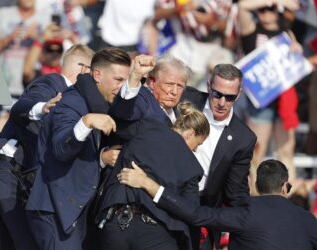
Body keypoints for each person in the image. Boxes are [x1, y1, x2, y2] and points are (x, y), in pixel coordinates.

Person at [25, 48, 155, 249]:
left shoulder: (100, 102)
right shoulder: (70, 103)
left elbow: (124, 113)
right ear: (97, 75)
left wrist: (135, 78)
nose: (121, 87)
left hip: (76, 212)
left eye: (124, 81)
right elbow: (61, 149)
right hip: (55, 210)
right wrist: (85, 123)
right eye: (118, 80)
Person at [0, 43, 94, 250]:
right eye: (94, 73)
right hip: (5, 174)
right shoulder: (53, 83)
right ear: (84, 70)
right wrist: (43, 107)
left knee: (1, 245)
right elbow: (22, 106)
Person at [118, 159, 317, 250]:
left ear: (256, 186)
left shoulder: (247, 212)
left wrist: (148, 184)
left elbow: (196, 214)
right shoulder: (308, 220)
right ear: (284, 186)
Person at [96, 101, 210, 250]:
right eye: (198, 144)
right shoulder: (191, 166)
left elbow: (115, 123)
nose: (195, 150)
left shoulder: (144, 127)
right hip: (155, 235)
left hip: (115, 225)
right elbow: (191, 212)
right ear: (190, 134)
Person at [181, 64, 257, 249]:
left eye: (230, 97)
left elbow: (236, 192)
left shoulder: (243, 138)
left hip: (202, 211)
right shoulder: (185, 98)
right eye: (217, 94)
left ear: (238, 94)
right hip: (168, 195)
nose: (222, 102)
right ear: (208, 87)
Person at [238, 0, 300, 191]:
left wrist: (296, 50)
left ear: (278, 12)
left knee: (286, 152)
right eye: (262, 9)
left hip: (283, 101)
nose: (265, 12)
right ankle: (256, 199)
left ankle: (288, 199)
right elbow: (242, 6)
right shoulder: (251, 30)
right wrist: (273, 1)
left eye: (271, 9)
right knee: (257, 152)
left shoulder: (286, 33)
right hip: (261, 102)